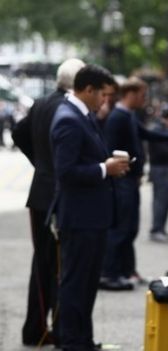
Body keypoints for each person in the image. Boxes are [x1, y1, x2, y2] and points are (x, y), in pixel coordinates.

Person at [48, 64, 129, 351]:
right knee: (75, 284)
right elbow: (66, 172)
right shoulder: (68, 119)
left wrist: (107, 167)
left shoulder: (82, 115)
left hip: (92, 216)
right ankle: (72, 342)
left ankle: (83, 339)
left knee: (87, 284)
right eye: (103, 95)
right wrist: (104, 169)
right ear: (88, 90)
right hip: (80, 217)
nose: (104, 102)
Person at [11, 58, 85, 347]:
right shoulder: (66, 107)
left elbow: (19, 133)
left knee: (43, 263)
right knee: (58, 264)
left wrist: (40, 164)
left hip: (40, 191)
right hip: (57, 194)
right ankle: (50, 329)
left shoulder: (41, 102)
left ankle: (37, 328)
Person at [101, 77, 168, 290]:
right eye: (142, 95)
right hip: (122, 180)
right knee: (121, 228)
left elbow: (145, 133)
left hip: (130, 180)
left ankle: (126, 269)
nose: (145, 99)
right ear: (130, 94)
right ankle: (110, 273)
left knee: (130, 227)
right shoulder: (118, 117)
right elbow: (109, 148)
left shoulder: (128, 115)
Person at [148, 109, 168, 242]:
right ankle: (156, 229)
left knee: (165, 200)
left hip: (167, 168)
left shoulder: (166, 129)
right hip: (160, 168)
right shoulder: (158, 129)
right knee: (160, 200)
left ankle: (160, 228)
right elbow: (160, 150)